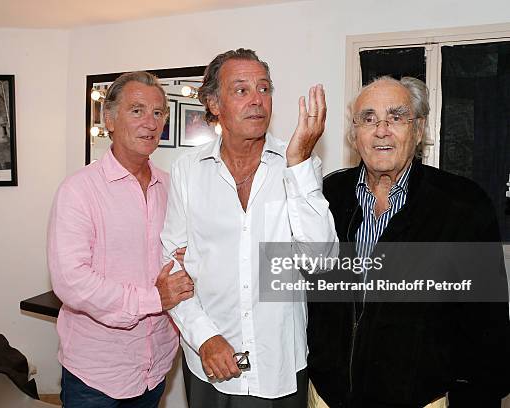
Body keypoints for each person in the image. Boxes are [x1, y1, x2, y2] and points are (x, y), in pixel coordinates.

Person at [307, 76, 510, 407]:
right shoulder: (326, 197)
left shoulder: (464, 206)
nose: (381, 130)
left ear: (418, 131)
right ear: (354, 134)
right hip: (327, 398)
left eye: (396, 117)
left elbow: (488, 328)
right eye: (368, 118)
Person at [161, 48, 338, 408]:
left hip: (280, 365)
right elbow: (172, 268)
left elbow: (321, 262)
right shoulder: (187, 170)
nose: (257, 100)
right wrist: (205, 337)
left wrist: (299, 162)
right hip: (209, 362)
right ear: (213, 103)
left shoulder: (298, 165)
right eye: (241, 90)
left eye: (265, 88)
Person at [48, 71, 194, 408]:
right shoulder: (79, 190)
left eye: (158, 113)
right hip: (96, 374)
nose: (150, 122)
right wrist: (151, 299)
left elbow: (181, 258)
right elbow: (71, 281)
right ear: (109, 119)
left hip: (156, 366)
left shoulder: (173, 188)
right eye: (137, 110)